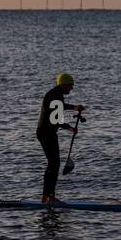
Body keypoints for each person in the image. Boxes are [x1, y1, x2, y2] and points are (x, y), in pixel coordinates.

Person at [36, 73, 85, 204]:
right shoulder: (55, 95)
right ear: (63, 85)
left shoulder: (57, 95)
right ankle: (49, 197)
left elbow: (56, 118)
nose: (71, 88)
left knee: (54, 164)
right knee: (54, 164)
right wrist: (74, 110)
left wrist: (70, 127)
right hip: (46, 133)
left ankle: (46, 197)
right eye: (70, 86)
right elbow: (56, 118)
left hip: (48, 132)